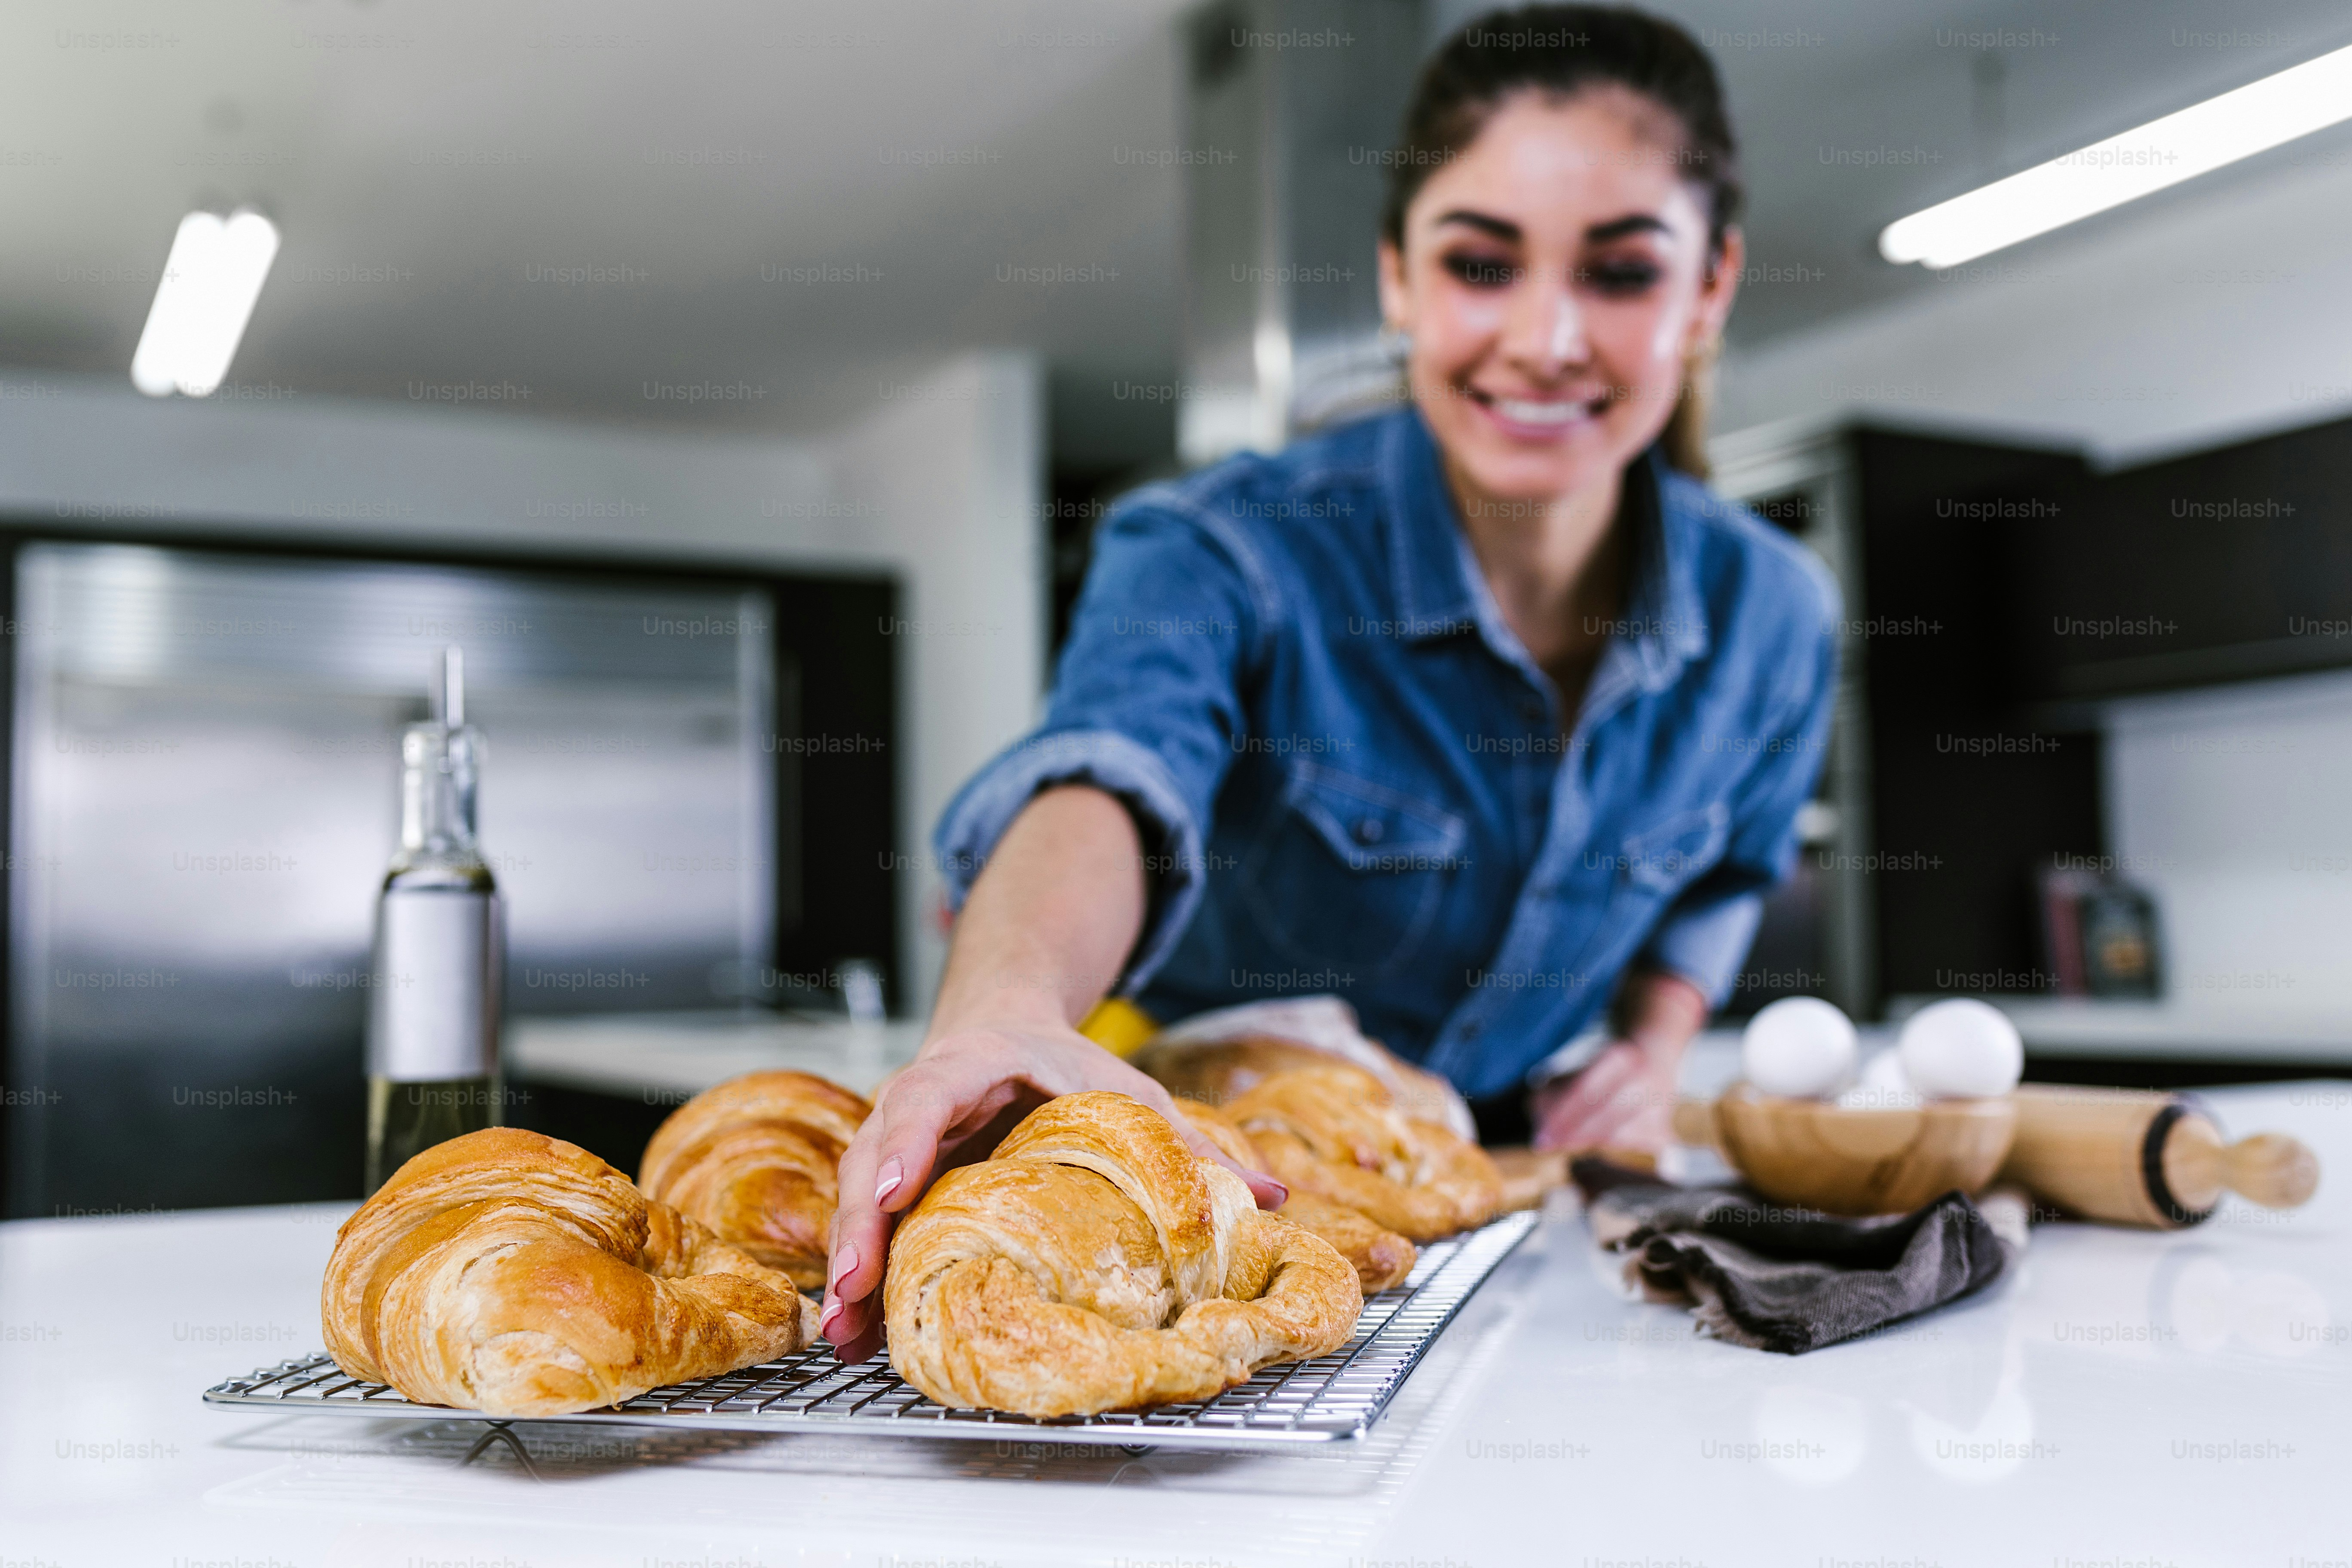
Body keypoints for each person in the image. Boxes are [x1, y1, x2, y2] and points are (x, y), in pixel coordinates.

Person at [821, 3, 1838, 1360]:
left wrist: (1650, 1049)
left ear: (1709, 288)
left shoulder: (1776, 616)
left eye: (1621, 273)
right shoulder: (1219, 549)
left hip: (1506, 1202)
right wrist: (1005, 1009)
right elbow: (1109, 773)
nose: (1545, 338)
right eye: (1482, 265)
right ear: (1400, 283)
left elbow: (1732, 871)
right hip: (1211, 1181)